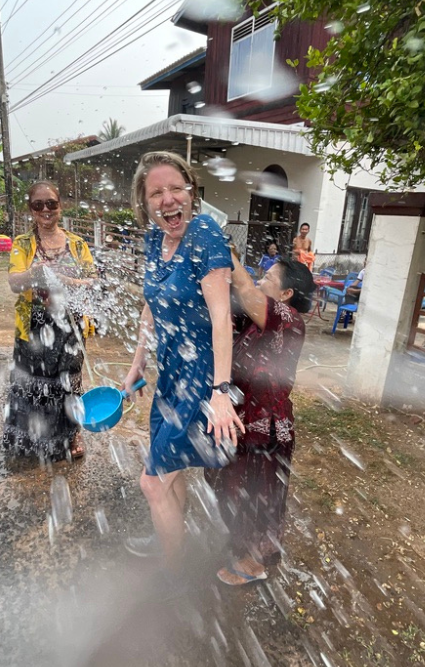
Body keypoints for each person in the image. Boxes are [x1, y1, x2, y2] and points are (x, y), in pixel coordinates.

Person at [121, 151, 243, 566]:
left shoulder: (206, 233)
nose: (168, 199)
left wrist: (221, 392)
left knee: (152, 483)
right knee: (168, 472)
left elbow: (222, 317)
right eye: (157, 192)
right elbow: (150, 305)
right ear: (145, 202)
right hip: (171, 375)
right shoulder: (154, 239)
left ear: (191, 192)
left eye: (176, 188)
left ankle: (172, 571)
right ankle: (173, 537)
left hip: (202, 377)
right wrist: (138, 362)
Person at [205, 254, 315, 585]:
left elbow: (245, 287)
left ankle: (256, 561)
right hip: (240, 419)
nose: (259, 281)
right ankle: (242, 544)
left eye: (268, 278)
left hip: (266, 426)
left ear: (286, 295)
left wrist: (222, 248)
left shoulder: (290, 320)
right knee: (230, 486)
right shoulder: (253, 320)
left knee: (259, 495)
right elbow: (223, 309)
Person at [2, 181, 96, 462]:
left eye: (51, 203)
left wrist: (64, 280)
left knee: (69, 383)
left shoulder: (77, 245)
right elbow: (13, 283)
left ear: (60, 206)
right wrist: (34, 274)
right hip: (33, 327)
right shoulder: (22, 243)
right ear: (30, 209)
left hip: (70, 325)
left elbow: (92, 282)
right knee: (30, 383)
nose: (45, 209)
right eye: (38, 205)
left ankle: (71, 434)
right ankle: (27, 437)